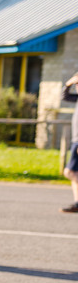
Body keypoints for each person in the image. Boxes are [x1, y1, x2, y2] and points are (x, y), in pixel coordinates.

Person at [60, 73, 78, 213]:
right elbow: (64, 96)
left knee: (69, 172)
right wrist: (68, 84)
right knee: (74, 173)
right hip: (75, 140)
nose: (76, 87)